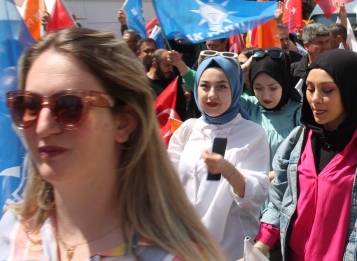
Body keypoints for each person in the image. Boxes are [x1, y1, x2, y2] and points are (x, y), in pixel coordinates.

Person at [0, 28, 224, 260]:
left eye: (69, 106)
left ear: (123, 123)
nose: (43, 126)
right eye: (29, 106)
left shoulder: (176, 256)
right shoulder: (11, 235)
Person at [254, 50, 357, 260]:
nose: (315, 99)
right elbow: (278, 204)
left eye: (327, 90)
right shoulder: (297, 141)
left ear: (350, 91)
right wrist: (258, 248)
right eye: (310, 89)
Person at [168, 54, 270, 259]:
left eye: (222, 86)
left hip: (232, 248)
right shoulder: (187, 130)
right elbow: (168, 183)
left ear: (235, 89)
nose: (211, 94)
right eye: (205, 86)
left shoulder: (252, 133)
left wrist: (228, 171)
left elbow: (257, 195)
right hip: (187, 246)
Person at [240, 48, 302, 180]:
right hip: (252, 194)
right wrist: (244, 67)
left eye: (273, 88)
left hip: (283, 195)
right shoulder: (248, 107)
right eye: (258, 88)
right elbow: (217, 89)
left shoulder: (299, 113)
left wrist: (266, 178)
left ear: (284, 82)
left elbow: (304, 162)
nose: (265, 95)